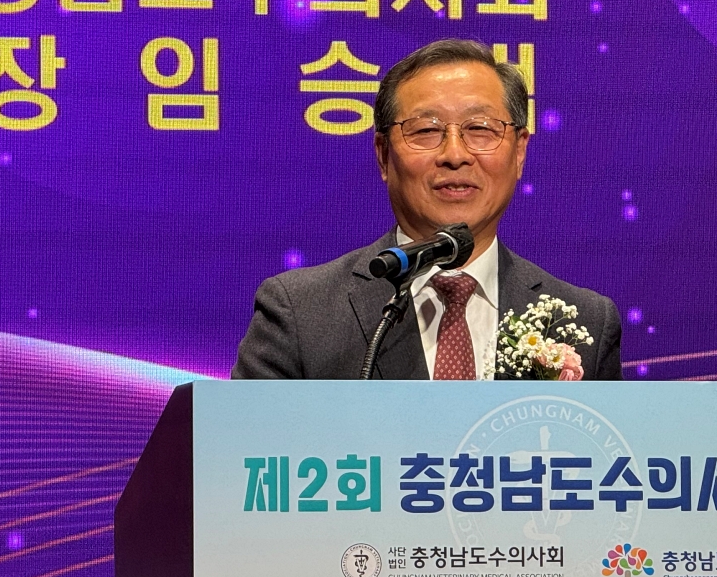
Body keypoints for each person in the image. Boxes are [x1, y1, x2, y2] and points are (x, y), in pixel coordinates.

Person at [231, 39, 622, 380]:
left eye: (480, 129)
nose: (455, 154)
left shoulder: (585, 320)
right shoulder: (301, 314)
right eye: (426, 131)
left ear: (519, 151)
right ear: (384, 155)